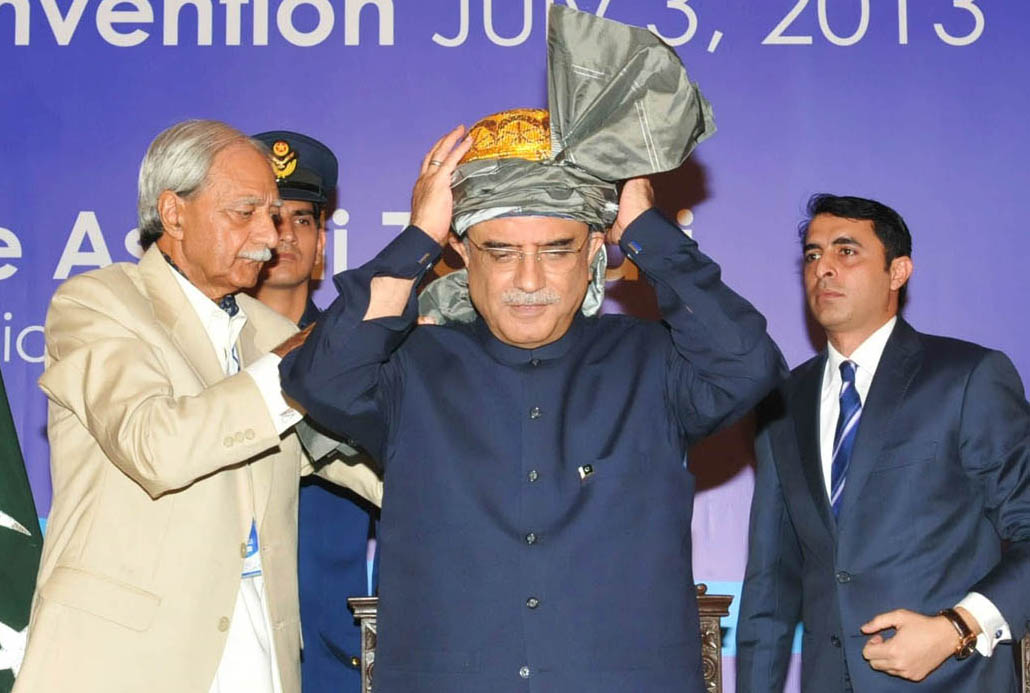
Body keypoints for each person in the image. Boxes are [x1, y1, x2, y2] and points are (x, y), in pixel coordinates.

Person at [279, 7, 784, 690]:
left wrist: (643, 225)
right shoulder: (409, 370)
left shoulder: (655, 365)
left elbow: (750, 364)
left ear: (593, 254)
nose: (528, 281)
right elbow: (321, 379)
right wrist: (419, 234)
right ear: (462, 252)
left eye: (556, 250)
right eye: (500, 250)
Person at [14, 119, 381, 693]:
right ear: (174, 212)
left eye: (278, 215)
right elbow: (156, 446)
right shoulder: (98, 304)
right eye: (246, 212)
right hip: (123, 664)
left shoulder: (268, 332)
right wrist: (305, 360)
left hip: (260, 657)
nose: (271, 234)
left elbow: (367, 465)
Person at [735, 194, 1030, 692]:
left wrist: (957, 627)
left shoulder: (967, 378)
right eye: (812, 254)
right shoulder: (782, 400)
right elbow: (772, 580)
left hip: (952, 681)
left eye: (846, 252)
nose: (823, 268)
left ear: (899, 271)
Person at [251, 129, 377, 689]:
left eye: (302, 219)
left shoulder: (362, 362)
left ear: (323, 244)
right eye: (269, 216)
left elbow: (410, 517)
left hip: (334, 661)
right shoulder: (197, 358)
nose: (285, 235)